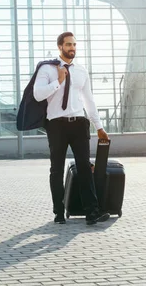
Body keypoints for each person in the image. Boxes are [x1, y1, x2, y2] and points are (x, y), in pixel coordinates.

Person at [33, 32, 110, 225]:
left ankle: (92, 212)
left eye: (74, 45)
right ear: (60, 47)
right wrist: (58, 81)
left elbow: (89, 100)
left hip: (79, 123)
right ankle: (58, 212)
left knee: (85, 167)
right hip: (56, 125)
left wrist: (98, 126)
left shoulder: (81, 71)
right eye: (68, 45)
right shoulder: (47, 69)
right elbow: (37, 95)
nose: (72, 48)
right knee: (56, 169)